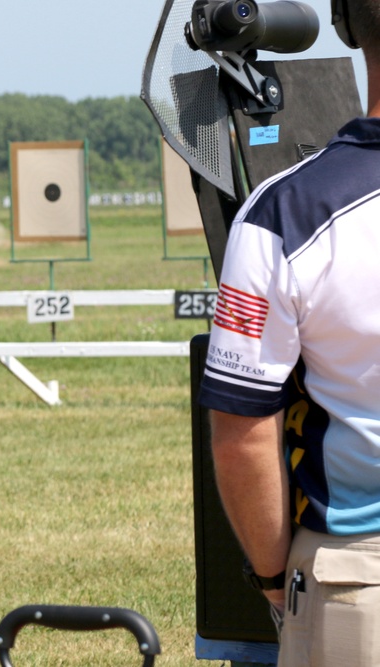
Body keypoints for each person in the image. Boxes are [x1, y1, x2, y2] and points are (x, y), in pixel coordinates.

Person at [198, 2, 380, 664]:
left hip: (358, 580)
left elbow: (242, 431)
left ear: (345, 24)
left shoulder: (285, 214)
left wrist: (275, 578)